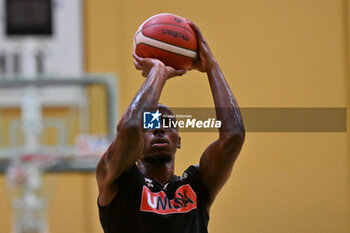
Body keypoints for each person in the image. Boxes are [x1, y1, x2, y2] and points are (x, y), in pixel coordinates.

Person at [96, 20, 245, 233]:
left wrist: (211, 65)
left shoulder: (196, 185)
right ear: (137, 141)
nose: (159, 129)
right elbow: (129, 127)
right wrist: (158, 72)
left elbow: (234, 136)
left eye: (167, 124)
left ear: (179, 140)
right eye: (150, 125)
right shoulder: (117, 179)